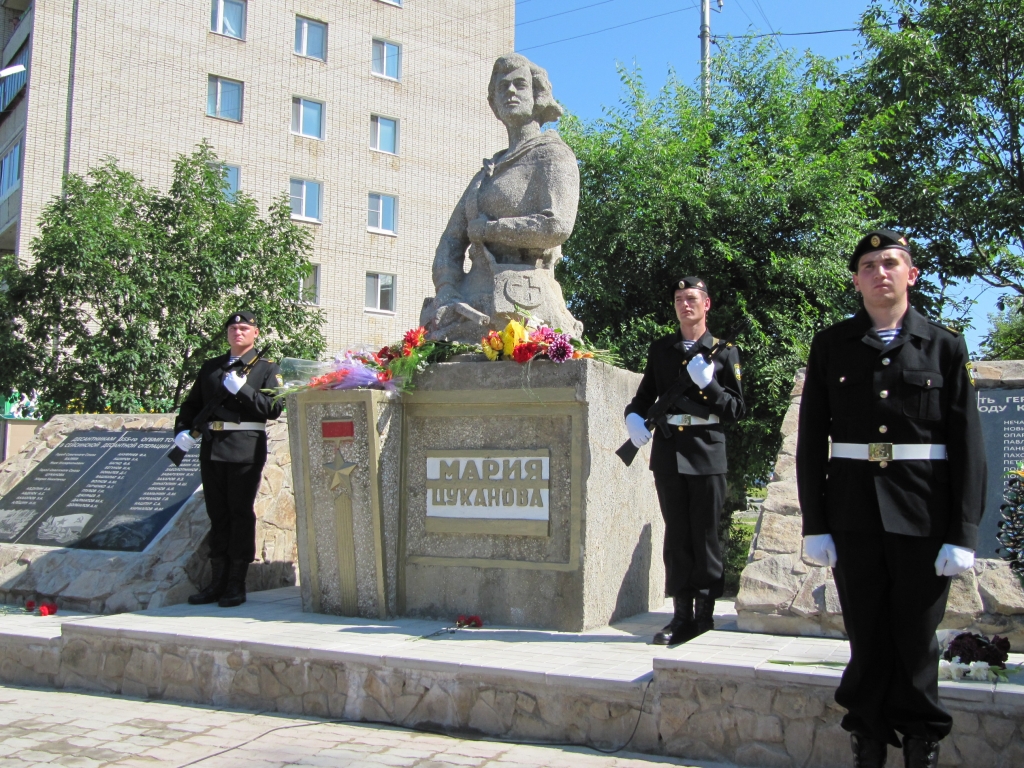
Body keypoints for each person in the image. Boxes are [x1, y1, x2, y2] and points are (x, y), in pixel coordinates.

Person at [796, 230, 985, 768]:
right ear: (856, 280)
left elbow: (968, 445)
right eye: (870, 265)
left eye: (892, 263)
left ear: (911, 275)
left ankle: (921, 743)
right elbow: (814, 441)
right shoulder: (832, 344)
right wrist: (816, 522)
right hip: (853, 514)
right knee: (867, 636)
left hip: (924, 516)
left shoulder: (944, 346)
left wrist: (963, 533)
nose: (881, 272)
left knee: (918, 639)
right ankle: (869, 742)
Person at [419, 53, 581, 341]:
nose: (510, 91)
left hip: (526, 298)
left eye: (519, 84)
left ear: (537, 95)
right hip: (469, 303)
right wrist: (446, 288)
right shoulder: (485, 174)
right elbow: (451, 240)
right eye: (502, 86)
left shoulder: (552, 155)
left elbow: (556, 226)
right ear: (493, 101)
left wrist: (491, 229)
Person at [624, 277, 745, 645]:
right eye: (678, 299)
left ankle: (705, 616)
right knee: (677, 537)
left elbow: (736, 409)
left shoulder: (724, 352)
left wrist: (710, 384)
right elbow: (643, 397)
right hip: (669, 454)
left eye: (692, 298)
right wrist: (632, 418)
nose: (684, 304)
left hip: (707, 452)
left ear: (706, 304)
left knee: (705, 535)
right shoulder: (662, 350)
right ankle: (680, 616)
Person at [174, 311, 283, 608]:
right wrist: (182, 432)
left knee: (239, 513)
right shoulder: (212, 368)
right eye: (233, 328)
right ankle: (216, 581)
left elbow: (272, 408)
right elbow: (192, 404)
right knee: (217, 514)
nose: (238, 332)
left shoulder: (266, 369)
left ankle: (236, 583)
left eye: (244, 327)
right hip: (212, 446)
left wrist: (243, 390)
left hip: (244, 448)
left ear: (255, 333)